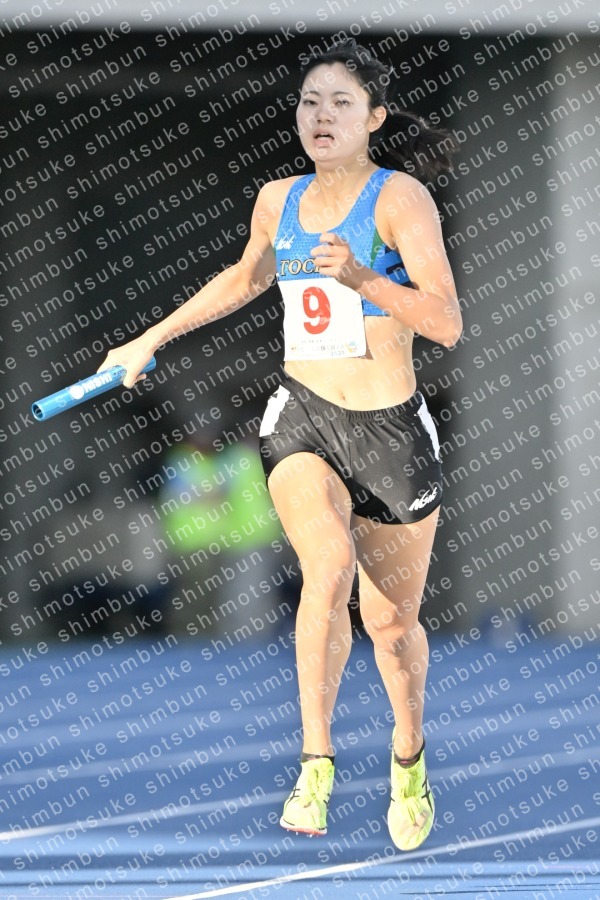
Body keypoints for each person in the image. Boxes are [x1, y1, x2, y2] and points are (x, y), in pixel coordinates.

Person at [99, 38, 462, 851]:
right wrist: (149, 340)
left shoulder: (400, 199)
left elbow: (445, 321)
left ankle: (408, 757)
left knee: (392, 628)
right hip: (303, 416)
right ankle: (315, 764)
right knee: (326, 566)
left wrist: (363, 279)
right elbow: (246, 277)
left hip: (390, 433)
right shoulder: (278, 199)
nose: (321, 115)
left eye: (340, 102)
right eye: (308, 101)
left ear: (373, 117)